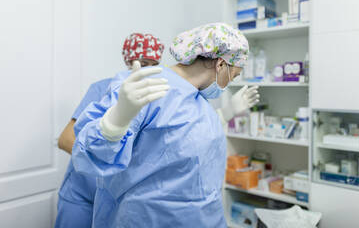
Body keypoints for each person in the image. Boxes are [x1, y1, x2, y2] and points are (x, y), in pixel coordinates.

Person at [72, 23, 260, 227]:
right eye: (234, 75)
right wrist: (117, 119)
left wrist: (225, 114)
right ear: (221, 64)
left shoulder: (198, 99)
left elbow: (186, 140)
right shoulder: (146, 84)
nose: (230, 81)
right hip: (146, 219)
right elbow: (88, 155)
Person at [55, 33, 164, 228]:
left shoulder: (159, 94)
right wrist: (104, 158)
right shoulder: (103, 88)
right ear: (129, 61)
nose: (144, 68)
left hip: (118, 198)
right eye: (139, 62)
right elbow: (65, 139)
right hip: (81, 193)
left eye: (151, 63)